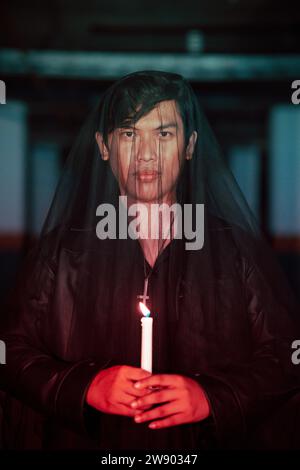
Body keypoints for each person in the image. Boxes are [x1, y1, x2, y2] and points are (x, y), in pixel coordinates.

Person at [1, 70, 300, 450]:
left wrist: (211, 397)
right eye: (129, 133)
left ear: (189, 144)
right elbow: (8, 351)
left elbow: (288, 356)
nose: (147, 154)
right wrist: (85, 387)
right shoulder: (59, 253)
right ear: (104, 146)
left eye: (163, 133)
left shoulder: (237, 250)